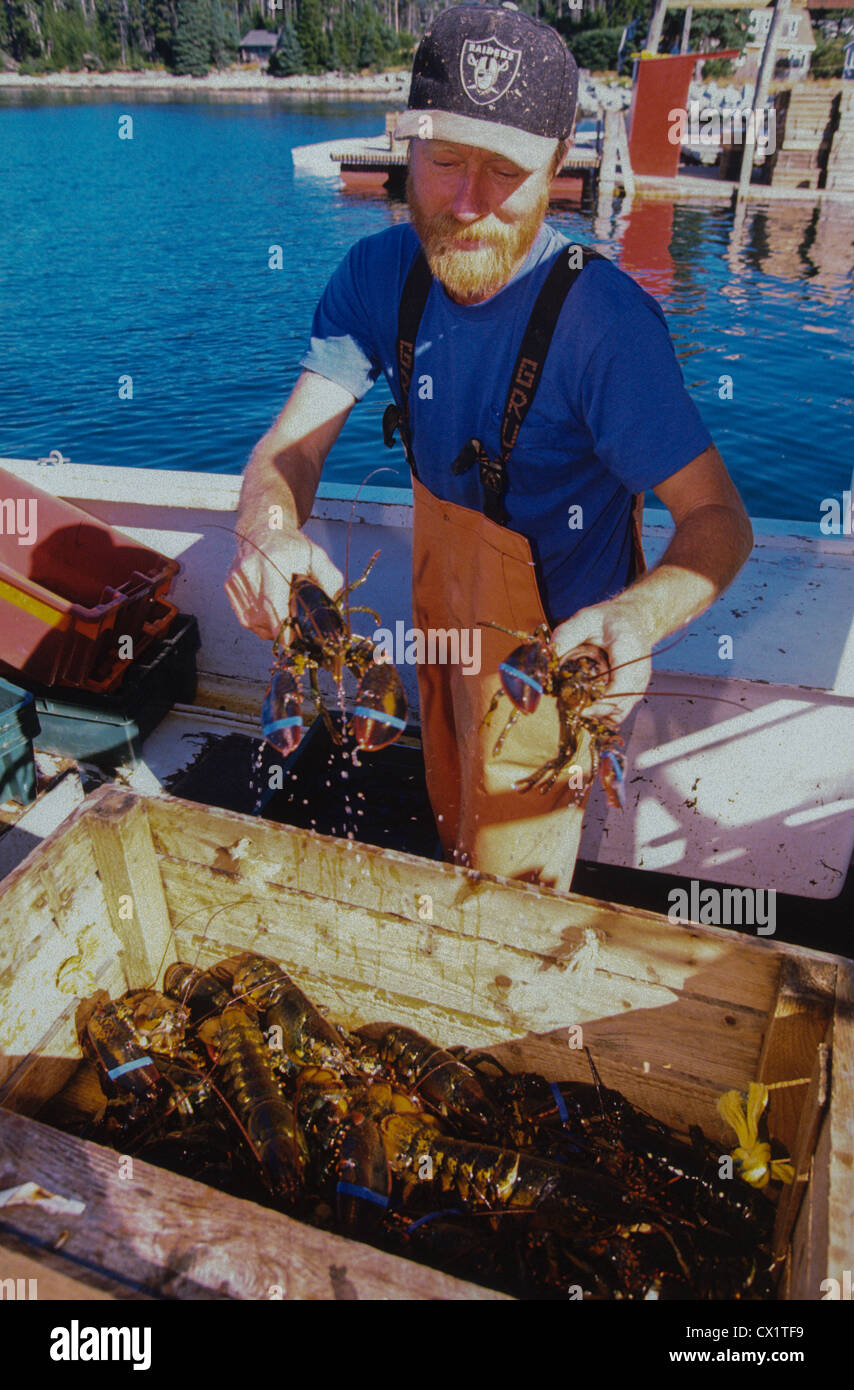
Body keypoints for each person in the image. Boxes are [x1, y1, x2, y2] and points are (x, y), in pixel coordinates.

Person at [225, 2, 753, 893]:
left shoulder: (606, 326)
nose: (467, 204)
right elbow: (289, 453)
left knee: (514, 893)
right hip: (441, 616)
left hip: (550, 662)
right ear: (406, 148)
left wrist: (639, 617)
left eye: (504, 170)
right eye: (444, 161)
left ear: (558, 167)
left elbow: (718, 521)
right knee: (445, 811)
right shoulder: (374, 276)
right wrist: (270, 532)